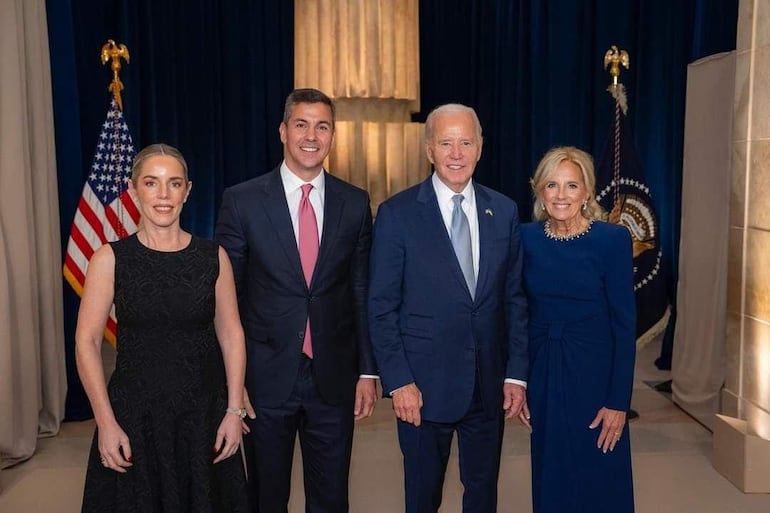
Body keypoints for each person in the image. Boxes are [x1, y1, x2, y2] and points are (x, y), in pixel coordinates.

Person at [215, 88, 378, 513]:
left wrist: (367, 370)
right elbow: (225, 297)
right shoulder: (243, 200)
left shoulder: (355, 203)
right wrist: (232, 385)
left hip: (334, 379)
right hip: (264, 379)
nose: (312, 135)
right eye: (302, 124)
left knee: (331, 499)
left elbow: (361, 290)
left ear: (333, 136)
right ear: (283, 131)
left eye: (322, 126)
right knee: (267, 498)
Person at [368, 103, 529, 513]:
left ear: (480, 148)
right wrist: (399, 380)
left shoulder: (505, 211)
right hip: (420, 390)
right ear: (429, 151)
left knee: (483, 496)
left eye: (466, 142)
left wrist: (516, 375)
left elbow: (514, 299)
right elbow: (381, 307)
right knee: (422, 499)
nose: (456, 153)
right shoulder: (397, 215)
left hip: (487, 385)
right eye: (446, 143)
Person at [76, 143, 249, 512]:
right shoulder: (110, 259)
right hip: (134, 421)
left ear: (187, 190)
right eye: (152, 183)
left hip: (202, 420)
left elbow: (231, 335)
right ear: (134, 189)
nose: (163, 195)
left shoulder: (212, 258)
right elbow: (87, 342)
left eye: (174, 184)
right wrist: (105, 422)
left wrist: (234, 412)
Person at [521, 146, 635, 513]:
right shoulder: (524, 239)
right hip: (544, 375)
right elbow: (516, 314)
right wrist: (520, 382)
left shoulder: (611, 240)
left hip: (594, 377)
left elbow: (624, 326)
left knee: (599, 474)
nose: (561, 195)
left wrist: (618, 401)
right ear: (539, 190)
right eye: (552, 185)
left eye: (572, 186)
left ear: (587, 192)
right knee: (551, 475)